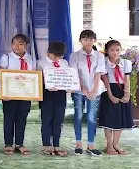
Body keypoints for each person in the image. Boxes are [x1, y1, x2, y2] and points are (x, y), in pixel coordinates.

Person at [69, 28, 105, 156]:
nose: (88, 41)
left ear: (94, 40)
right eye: (85, 39)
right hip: (79, 90)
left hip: (95, 90)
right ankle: (78, 143)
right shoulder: (74, 56)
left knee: (91, 117)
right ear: (80, 41)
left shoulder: (100, 56)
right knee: (78, 116)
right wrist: (83, 89)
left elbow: (98, 73)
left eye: (91, 39)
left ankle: (91, 144)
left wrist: (94, 90)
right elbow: (75, 73)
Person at [0, 33, 36, 155]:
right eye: (14, 43)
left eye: (20, 44)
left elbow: (34, 76)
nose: (17, 46)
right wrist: (3, 92)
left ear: (26, 45)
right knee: (9, 118)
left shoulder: (31, 59)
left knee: (22, 118)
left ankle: (19, 143)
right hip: (9, 95)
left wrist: (34, 92)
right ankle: (8, 144)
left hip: (25, 94)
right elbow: (1, 76)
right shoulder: (6, 58)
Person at [97, 38, 133, 154]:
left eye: (117, 50)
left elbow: (127, 79)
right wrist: (111, 96)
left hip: (122, 90)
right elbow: (105, 81)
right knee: (109, 119)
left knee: (120, 119)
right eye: (112, 50)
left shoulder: (126, 63)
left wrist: (126, 94)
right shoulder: (103, 62)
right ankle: (109, 145)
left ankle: (116, 144)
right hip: (108, 91)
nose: (115, 53)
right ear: (107, 51)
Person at [38, 40, 69, 156]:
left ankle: (56, 144)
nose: (56, 58)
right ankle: (46, 144)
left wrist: (70, 86)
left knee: (58, 120)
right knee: (47, 120)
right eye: (54, 55)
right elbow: (37, 80)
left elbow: (68, 77)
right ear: (48, 53)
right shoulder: (41, 63)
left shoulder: (64, 63)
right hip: (46, 94)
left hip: (61, 94)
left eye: (59, 56)